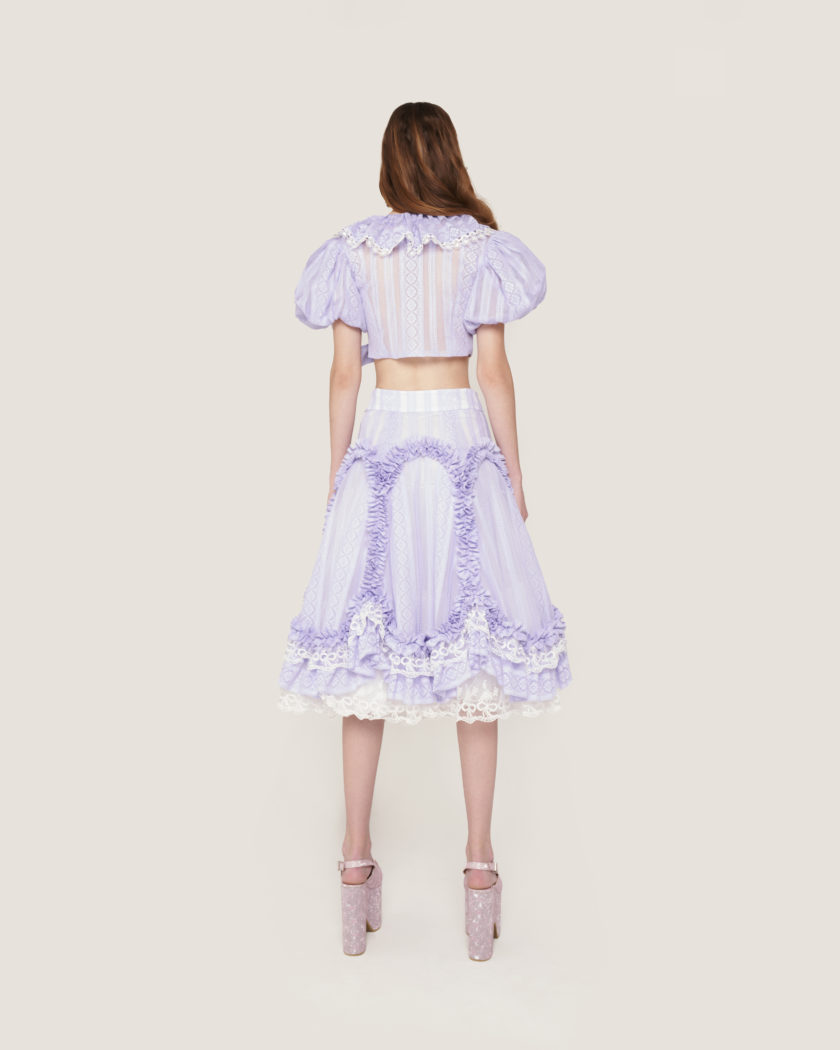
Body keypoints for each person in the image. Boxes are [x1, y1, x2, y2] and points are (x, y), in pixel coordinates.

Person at [277, 101, 572, 961]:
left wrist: (338, 472)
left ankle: (353, 867)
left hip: (382, 446)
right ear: (449, 159)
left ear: (389, 164)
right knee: (477, 661)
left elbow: (343, 377)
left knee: (362, 663)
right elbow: (495, 373)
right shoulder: (481, 250)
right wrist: (515, 472)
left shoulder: (352, 251)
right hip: (459, 446)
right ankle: (479, 870)